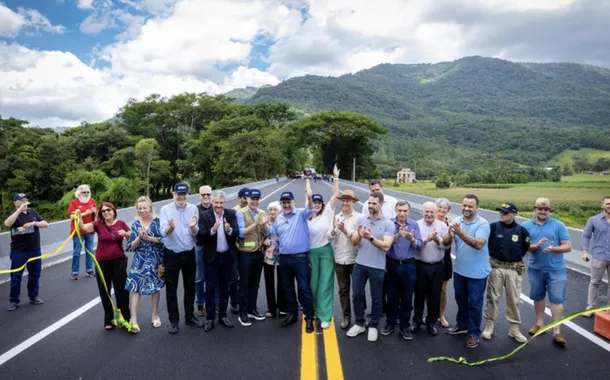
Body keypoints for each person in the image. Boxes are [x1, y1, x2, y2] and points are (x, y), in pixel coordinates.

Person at [346, 192, 395, 342]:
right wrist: (360, 235)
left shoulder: (388, 223)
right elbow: (354, 242)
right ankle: (359, 323)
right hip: (360, 264)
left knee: (376, 298)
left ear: (381, 204)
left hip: (377, 267)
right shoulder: (361, 219)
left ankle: (373, 326)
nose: (371, 206)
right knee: (357, 295)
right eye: (369, 203)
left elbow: (386, 246)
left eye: (374, 203)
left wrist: (370, 238)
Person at [523, 197, 572, 346]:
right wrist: (535, 246)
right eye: (540, 208)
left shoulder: (559, 225)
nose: (543, 211)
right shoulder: (525, 226)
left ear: (549, 210)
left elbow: (568, 246)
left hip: (556, 269)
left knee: (557, 300)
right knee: (538, 297)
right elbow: (523, 246)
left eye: (546, 209)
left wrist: (554, 249)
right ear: (534, 209)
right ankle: (540, 323)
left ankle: (556, 331)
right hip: (535, 267)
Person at [446, 194, 491, 349]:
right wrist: (449, 234)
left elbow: (478, 244)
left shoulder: (483, 224)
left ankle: (473, 334)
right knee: (460, 299)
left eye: (470, 206)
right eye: (464, 205)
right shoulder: (456, 221)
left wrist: (460, 233)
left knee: (475, 304)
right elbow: (447, 241)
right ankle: (462, 324)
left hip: (477, 273)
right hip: (460, 270)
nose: (466, 208)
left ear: (477, 207)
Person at [481, 202, 530, 343]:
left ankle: (514, 329)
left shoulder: (521, 231)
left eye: (505, 212)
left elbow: (525, 247)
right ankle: (489, 326)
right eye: (500, 212)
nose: (501, 214)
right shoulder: (493, 227)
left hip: (514, 269)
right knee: (493, 297)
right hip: (496, 267)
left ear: (514, 214)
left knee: (514, 300)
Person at [78, 201, 131, 330]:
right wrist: (79, 217)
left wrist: (127, 234)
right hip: (102, 262)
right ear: (100, 213)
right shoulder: (98, 224)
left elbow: (130, 239)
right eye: (103, 211)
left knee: (121, 290)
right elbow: (83, 228)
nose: (106, 212)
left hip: (118, 260)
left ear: (113, 211)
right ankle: (109, 319)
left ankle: (125, 317)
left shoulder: (121, 223)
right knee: (104, 291)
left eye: (109, 210)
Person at [159, 182, 204, 334]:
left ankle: (190, 317)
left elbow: (195, 232)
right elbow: (163, 232)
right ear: (173, 195)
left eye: (184, 194)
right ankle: (174, 321)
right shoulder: (165, 209)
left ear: (188, 195)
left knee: (190, 287)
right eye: (178, 194)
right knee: (171, 288)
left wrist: (193, 227)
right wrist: (170, 228)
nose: (181, 197)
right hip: (171, 253)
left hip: (189, 252)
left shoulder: (193, 209)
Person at [269, 190, 315, 333]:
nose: (287, 205)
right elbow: (274, 236)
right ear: (282, 204)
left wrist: (309, 197)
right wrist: (273, 245)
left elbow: (311, 210)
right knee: (287, 288)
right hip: (284, 258)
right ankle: (292, 314)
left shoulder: (301, 214)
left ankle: (309, 318)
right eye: (284, 203)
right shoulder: (279, 219)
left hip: (300, 258)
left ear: (293, 202)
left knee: (304, 288)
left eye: (289, 202)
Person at [198, 190, 240, 332]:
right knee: (210, 288)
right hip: (212, 257)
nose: (218, 205)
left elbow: (237, 234)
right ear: (212, 202)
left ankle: (222, 315)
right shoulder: (204, 216)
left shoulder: (231, 214)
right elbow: (200, 238)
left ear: (224, 203)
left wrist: (229, 230)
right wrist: (212, 230)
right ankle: (210, 318)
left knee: (224, 288)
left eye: (221, 203)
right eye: (216, 202)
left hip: (227, 256)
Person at [381, 200, 422, 340]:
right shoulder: (389, 223)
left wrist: (411, 239)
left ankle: (405, 326)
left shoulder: (414, 225)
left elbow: (420, 245)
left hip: (408, 265)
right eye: (400, 210)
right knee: (391, 296)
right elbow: (385, 243)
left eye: (405, 211)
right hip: (392, 263)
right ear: (396, 211)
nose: (402, 213)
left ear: (408, 212)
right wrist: (398, 235)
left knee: (407, 297)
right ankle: (390, 323)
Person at [125, 196, 165, 333]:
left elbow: (162, 240)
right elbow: (131, 246)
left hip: (155, 259)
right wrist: (139, 238)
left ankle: (154, 315)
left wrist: (148, 238)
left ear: (150, 208)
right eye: (140, 208)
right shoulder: (135, 225)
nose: (142, 210)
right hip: (140, 260)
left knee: (155, 288)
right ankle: (133, 319)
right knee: (135, 288)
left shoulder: (158, 222)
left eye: (145, 208)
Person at [308, 165, 339, 329]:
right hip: (312, 253)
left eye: (319, 202)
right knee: (313, 285)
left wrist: (335, 177)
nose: (317, 205)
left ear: (322, 204)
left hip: (326, 251)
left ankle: (325, 315)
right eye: (314, 202)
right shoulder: (307, 217)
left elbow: (335, 194)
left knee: (325, 284)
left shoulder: (327, 212)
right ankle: (311, 311)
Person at [413, 202, 451, 337]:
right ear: (422, 212)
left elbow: (446, 246)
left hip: (437, 265)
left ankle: (431, 322)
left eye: (432, 212)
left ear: (436, 213)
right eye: (426, 211)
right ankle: (417, 321)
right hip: (420, 264)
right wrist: (425, 239)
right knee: (419, 295)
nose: (429, 214)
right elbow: (414, 244)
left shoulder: (442, 226)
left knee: (435, 295)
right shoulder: (416, 224)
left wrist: (437, 240)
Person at [5, 193, 48, 311]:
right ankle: (13, 300)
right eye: (22, 200)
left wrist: (34, 223)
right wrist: (19, 210)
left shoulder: (33, 213)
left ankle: (33, 296)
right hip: (19, 251)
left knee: (35, 274)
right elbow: (7, 223)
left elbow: (45, 224)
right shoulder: (13, 214)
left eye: (26, 199)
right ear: (15, 203)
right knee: (16, 276)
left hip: (35, 249)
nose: (25, 201)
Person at [236, 188, 268, 326]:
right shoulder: (240, 213)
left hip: (258, 252)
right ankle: (242, 313)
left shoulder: (262, 213)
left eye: (257, 199)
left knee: (255, 284)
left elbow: (267, 233)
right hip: (245, 253)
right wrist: (255, 223)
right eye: (252, 199)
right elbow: (241, 233)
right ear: (247, 199)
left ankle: (252, 309)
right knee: (244, 283)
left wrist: (264, 224)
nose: (255, 201)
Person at [330, 190, 361, 329]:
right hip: (339, 259)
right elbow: (329, 237)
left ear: (353, 202)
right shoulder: (335, 217)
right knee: (343, 290)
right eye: (343, 200)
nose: (345, 202)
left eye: (348, 200)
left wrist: (343, 229)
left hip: (355, 260)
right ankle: (346, 316)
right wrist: (334, 228)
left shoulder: (359, 218)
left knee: (358, 291)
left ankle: (361, 316)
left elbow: (356, 238)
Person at [582, 196, 610, 317]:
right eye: (608, 203)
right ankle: (590, 307)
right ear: (602, 205)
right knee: (595, 282)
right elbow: (586, 235)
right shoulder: (593, 220)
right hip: (599, 256)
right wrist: (585, 251)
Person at [68, 184, 97, 280]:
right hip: (78, 232)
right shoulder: (74, 203)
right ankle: (75, 272)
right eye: (84, 192)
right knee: (76, 252)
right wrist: (85, 213)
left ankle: (89, 270)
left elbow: (96, 214)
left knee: (90, 251)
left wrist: (94, 212)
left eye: (88, 192)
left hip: (89, 230)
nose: (86, 194)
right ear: (79, 193)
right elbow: (72, 217)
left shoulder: (92, 201)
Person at [263, 201, 286, 318]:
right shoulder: (264, 222)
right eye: (270, 210)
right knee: (269, 282)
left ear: (279, 211)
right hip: (268, 257)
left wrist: (272, 243)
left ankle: (282, 308)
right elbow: (261, 235)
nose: (272, 212)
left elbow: (282, 237)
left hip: (281, 255)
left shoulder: (283, 221)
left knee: (282, 282)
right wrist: (264, 241)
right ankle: (271, 308)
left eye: (275, 210)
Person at [195, 185, 215, 317]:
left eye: (208, 194)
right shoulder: (194, 210)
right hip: (200, 246)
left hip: (214, 246)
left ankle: (214, 302)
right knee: (199, 277)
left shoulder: (217, 208)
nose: (206, 197)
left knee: (214, 276)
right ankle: (200, 303)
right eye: (203, 195)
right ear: (199, 196)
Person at [435, 198, 453, 328]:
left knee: (443, 290)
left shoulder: (450, 223)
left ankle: (441, 315)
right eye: (439, 207)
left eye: (444, 208)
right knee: (427, 290)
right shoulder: (430, 220)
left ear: (448, 211)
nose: (441, 210)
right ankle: (430, 314)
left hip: (445, 259)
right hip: (429, 258)